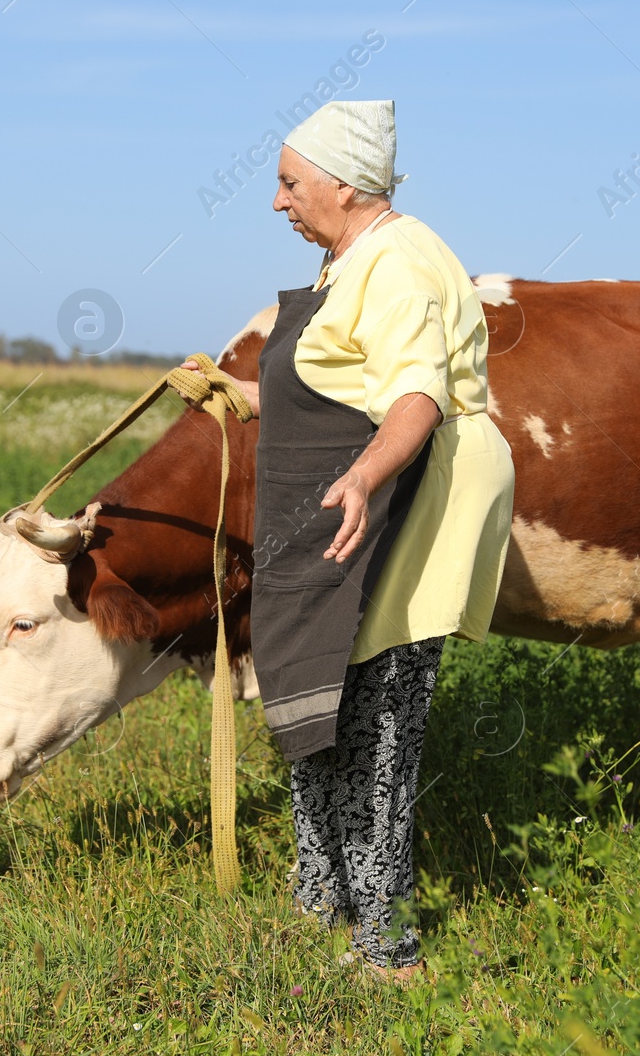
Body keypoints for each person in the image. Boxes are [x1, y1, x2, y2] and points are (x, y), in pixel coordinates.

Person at [181, 99, 514, 982]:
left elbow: (414, 397)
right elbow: (331, 384)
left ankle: (388, 947)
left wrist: (365, 477)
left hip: (408, 493)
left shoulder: (398, 264)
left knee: (379, 716)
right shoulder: (350, 257)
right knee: (325, 689)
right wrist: (233, 393)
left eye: (290, 183)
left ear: (345, 183)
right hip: (354, 482)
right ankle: (319, 900)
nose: (278, 203)